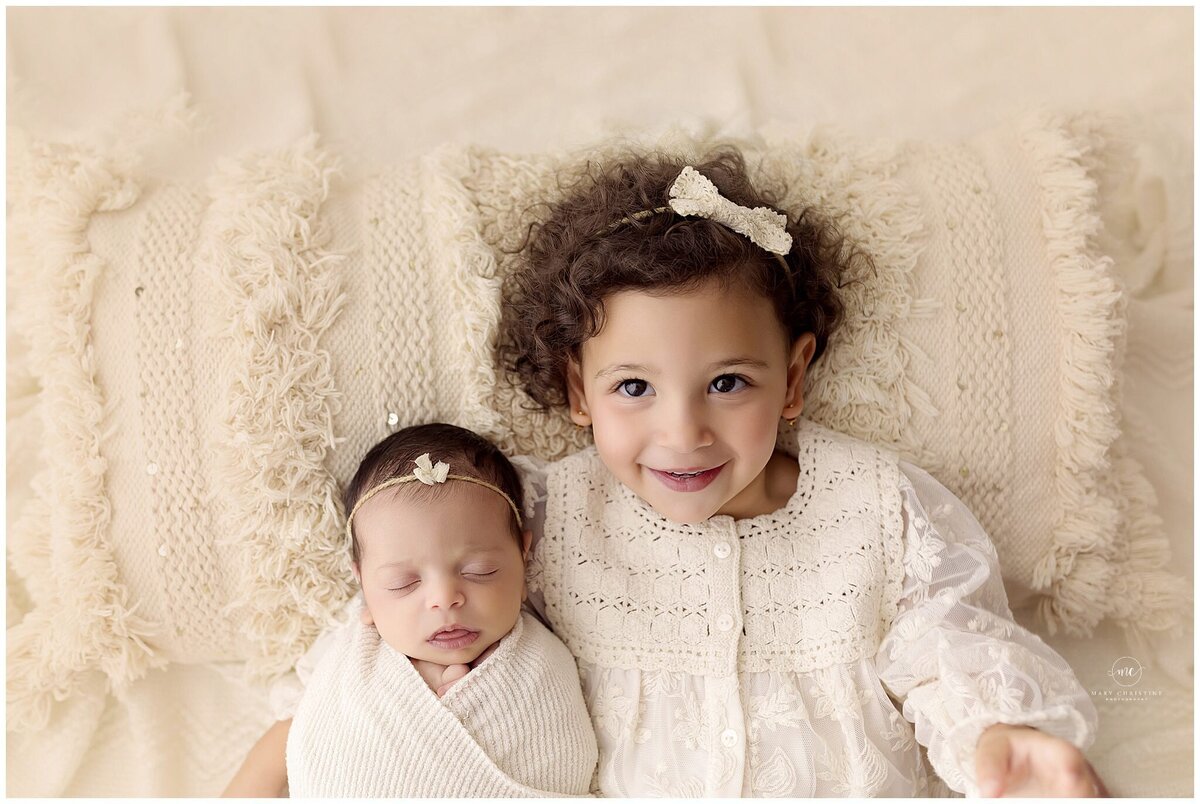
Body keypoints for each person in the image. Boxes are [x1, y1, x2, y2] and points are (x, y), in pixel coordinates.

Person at [497, 148, 1108, 797]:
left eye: (727, 382)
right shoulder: (546, 521)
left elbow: (948, 650)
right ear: (577, 391)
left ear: (792, 378)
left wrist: (997, 736)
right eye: (634, 387)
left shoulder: (874, 507)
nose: (683, 433)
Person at [222, 423, 597, 797]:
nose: (444, 598)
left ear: (523, 557)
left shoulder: (544, 659)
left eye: (479, 572)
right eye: (403, 583)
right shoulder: (349, 657)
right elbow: (289, 742)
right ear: (365, 587)